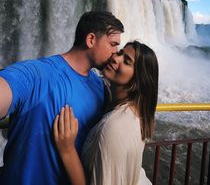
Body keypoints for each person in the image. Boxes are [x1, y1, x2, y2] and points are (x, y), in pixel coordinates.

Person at [0, 11, 124, 185]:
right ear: (90, 40)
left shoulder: (100, 88)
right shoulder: (36, 73)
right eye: (112, 44)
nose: (116, 53)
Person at [53, 41, 159, 185]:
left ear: (137, 82)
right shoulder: (133, 112)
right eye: (120, 53)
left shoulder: (115, 127)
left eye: (126, 61)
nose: (116, 58)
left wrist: (67, 150)